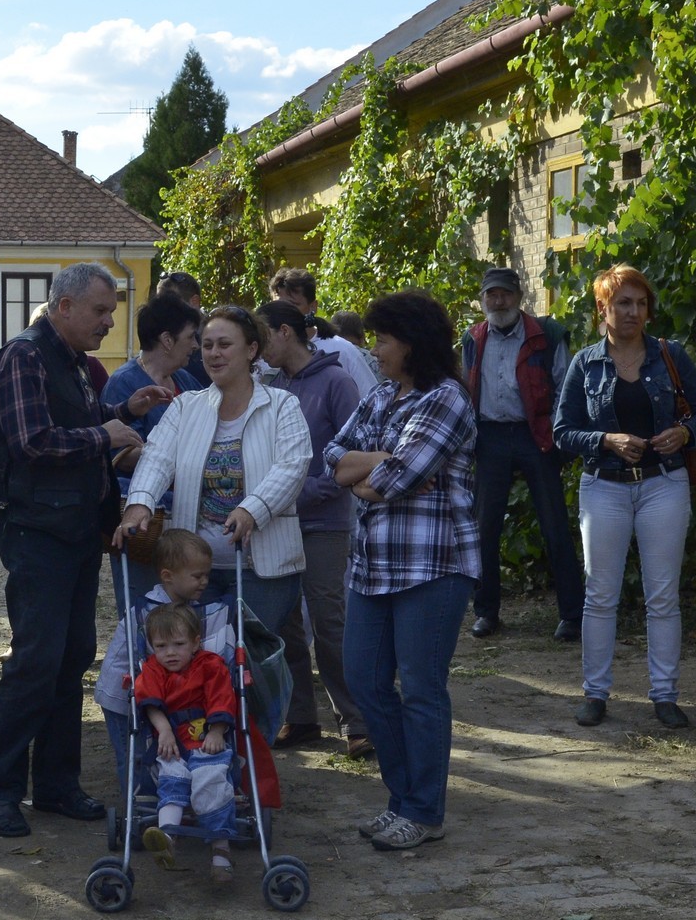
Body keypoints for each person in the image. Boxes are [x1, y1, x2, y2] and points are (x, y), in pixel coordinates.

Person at [0, 262, 169, 837]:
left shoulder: (72, 360)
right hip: (38, 533)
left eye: (112, 311)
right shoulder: (23, 355)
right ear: (63, 306)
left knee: (71, 657)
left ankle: (56, 785)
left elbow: (71, 423)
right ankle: (0, 791)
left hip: (78, 530)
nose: (109, 322)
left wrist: (123, 413)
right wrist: (103, 434)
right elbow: (31, 441)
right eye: (100, 310)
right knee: (35, 662)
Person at [323, 289, 478, 852]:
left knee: (420, 689)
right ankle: (403, 799)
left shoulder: (447, 399)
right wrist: (380, 464)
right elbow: (333, 457)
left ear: (412, 343)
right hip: (372, 566)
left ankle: (422, 810)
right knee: (364, 680)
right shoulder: (382, 394)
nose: (374, 350)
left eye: (383, 340)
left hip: (433, 566)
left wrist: (373, 472)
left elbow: (393, 481)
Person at [554, 264, 696, 731]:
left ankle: (665, 695)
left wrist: (683, 433)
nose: (634, 312)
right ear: (602, 308)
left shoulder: (670, 354)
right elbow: (562, 430)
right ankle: (595, 693)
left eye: (641, 303)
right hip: (603, 486)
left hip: (663, 482)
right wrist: (605, 440)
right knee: (600, 595)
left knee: (662, 596)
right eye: (623, 303)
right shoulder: (586, 363)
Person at [117, 306, 311, 637]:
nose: (213, 353)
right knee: (198, 659)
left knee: (251, 659)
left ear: (251, 350)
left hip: (262, 570)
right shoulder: (185, 406)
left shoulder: (282, 405)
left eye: (224, 344)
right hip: (193, 569)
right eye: (207, 345)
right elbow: (157, 457)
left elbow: (292, 467)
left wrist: (252, 510)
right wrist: (140, 503)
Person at [256, 300, 369, 757]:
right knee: (284, 623)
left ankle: (358, 721)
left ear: (285, 332)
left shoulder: (336, 381)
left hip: (324, 522)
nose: (258, 348)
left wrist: (307, 491)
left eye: (263, 337)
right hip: (279, 522)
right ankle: (300, 717)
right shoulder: (274, 385)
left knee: (329, 621)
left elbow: (358, 451)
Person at [460, 267, 582, 641]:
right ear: (483, 299)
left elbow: (565, 386)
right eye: (492, 295)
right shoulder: (472, 338)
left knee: (554, 525)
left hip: (536, 435)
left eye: (505, 294)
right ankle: (486, 612)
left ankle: (572, 615)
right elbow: (465, 389)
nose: (499, 302)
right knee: (484, 528)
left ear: (519, 296)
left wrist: (557, 434)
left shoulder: (546, 335)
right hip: (490, 438)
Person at [94, 529, 232, 791]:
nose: (205, 582)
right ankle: (135, 802)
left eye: (206, 575)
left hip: (151, 692)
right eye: (197, 576)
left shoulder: (186, 606)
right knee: (133, 754)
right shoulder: (148, 613)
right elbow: (156, 659)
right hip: (121, 694)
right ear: (168, 576)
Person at [102, 293, 204, 602]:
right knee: (144, 607)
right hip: (145, 526)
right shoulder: (124, 383)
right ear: (167, 340)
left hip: (183, 518)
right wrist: (179, 460)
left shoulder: (187, 382)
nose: (196, 345)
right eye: (191, 337)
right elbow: (121, 456)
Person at [134, 604, 238, 884]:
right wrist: (164, 730)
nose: (170, 653)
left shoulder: (210, 665)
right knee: (171, 778)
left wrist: (217, 731)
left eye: (179, 644)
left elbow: (222, 697)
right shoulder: (153, 669)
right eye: (161, 646)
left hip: (207, 740)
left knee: (210, 781)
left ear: (195, 643)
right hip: (172, 742)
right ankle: (167, 838)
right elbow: (149, 703)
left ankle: (221, 853)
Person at [267, 267, 378, 399]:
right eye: (277, 307)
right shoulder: (265, 356)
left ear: (313, 307)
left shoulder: (343, 351)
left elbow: (373, 400)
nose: (282, 314)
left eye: (292, 306)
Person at [154, 270, 210, 386]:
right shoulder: (158, 337)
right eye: (159, 303)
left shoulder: (216, 335)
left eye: (172, 305)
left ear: (194, 302)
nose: (162, 310)